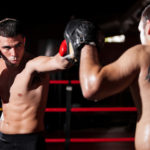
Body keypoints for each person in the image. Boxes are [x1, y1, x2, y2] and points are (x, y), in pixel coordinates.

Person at [61, 4, 150, 150]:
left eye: (140, 30)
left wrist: (86, 42)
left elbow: (92, 88)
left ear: (148, 27)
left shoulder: (143, 53)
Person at [0, 18, 71, 150]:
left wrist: (68, 49)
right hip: (3, 139)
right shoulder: (0, 68)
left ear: (24, 41)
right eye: (7, 48)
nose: (14, 53)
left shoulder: (33, 64)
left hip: (30, 141)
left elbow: (59, 62)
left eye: (18, 45)